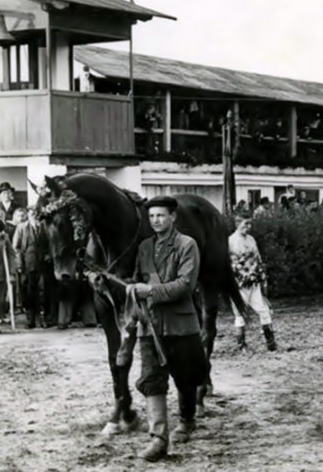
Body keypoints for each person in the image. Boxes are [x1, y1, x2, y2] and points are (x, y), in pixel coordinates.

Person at [130, 196, 207, 462]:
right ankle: (159, 439)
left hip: (180, 326)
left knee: (186, 378)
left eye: (161, 215)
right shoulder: (144, 247)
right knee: (152, 381)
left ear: (173, 217)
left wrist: (150, 290)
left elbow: (185, 285)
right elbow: (135, 280)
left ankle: (187, 419)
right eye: (151, 216)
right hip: (150, 326)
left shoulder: (187, 245)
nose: (156, 221)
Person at [228, 214, 277, 351]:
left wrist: (261, 276)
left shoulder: (251, 239)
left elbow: (258, 258)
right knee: (240, 313)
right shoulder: (230, 241)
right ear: (237, 223)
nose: (249, 227)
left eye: (250, 224)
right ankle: (241, 345)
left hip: (253, 282)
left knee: (264, 310)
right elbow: (227, 263)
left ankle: (270, 343)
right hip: (238, 283)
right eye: (246, 223)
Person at [13, 207, 43, 328]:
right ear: (28, 216)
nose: (34, 216)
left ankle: (41, 319)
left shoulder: (42, 226)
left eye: (36, 214)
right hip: (27, 264)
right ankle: (30, 319)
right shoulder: (22, 228)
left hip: (41, 263)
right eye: (32, 214)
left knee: (42, 291)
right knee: (29, 291)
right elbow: (16, 248)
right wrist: (19, 264)